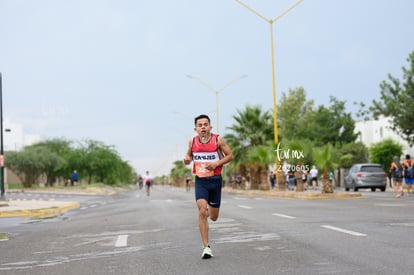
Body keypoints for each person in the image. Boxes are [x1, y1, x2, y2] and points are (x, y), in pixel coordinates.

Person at [183, 114, 233, 259]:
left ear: (210, 127)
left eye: (206, 124)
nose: (203, 127)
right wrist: (186, 160)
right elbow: (188, 157)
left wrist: (216, 164)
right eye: (200, 125)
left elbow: (230, 155)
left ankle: (212, 210)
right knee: (202, 211)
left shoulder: (218, 140)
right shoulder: (192, 141)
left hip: (216, 180)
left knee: (214, 216)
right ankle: (206, 247)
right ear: (195, 129)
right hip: (201, 181)